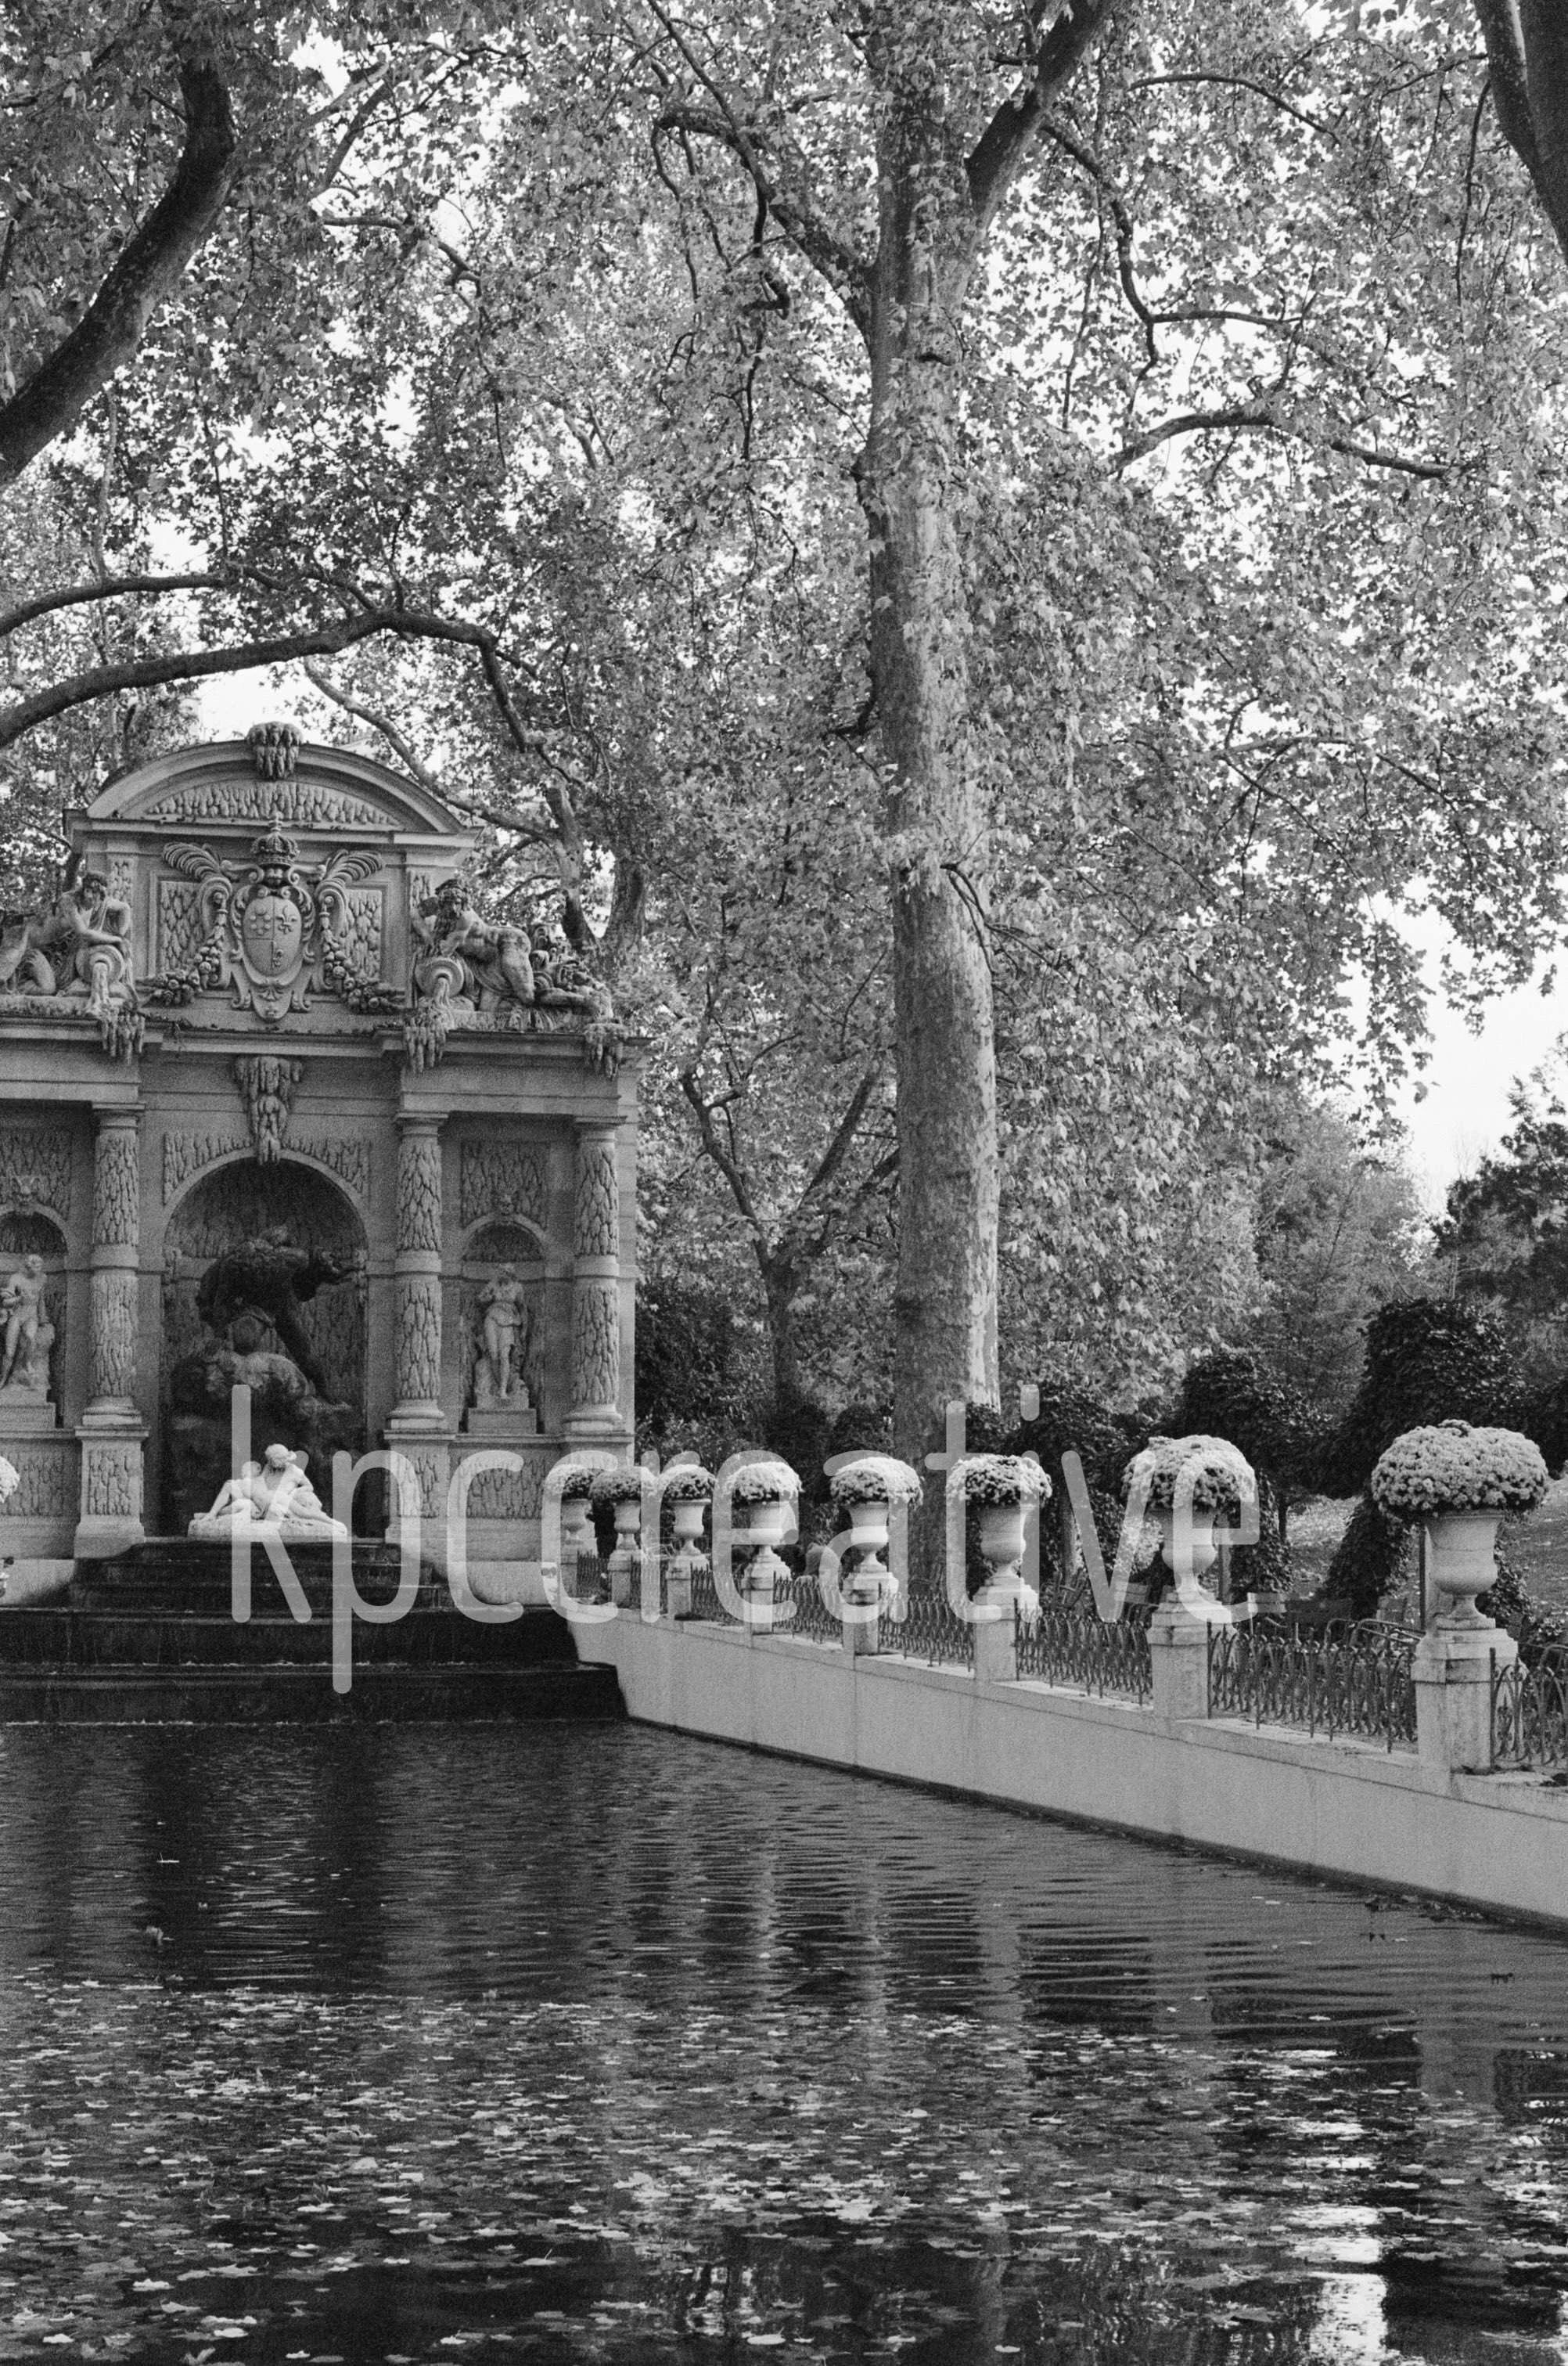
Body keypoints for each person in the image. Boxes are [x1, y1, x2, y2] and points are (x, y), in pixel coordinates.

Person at [476, 1266, 531, 1404]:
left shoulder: (517, 1288)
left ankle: (503, 1390)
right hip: (492, 1318)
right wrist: (487, 1298)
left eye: (503, 1272)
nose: (499, 1273)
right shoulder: (493, 1284)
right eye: (499, 1271)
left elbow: (523, 1308)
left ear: (509, 1274)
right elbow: (480, 1300)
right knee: (493, 1355)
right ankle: (496, 1386)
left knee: (504, 1355)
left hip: (509, 1321)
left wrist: (524, 1328)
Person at [0, 1254, 46, 1388]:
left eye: (40, 1267)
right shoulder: (16, 1279)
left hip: (32, 1315)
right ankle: (3, 1379)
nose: (39, 1270)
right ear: (29, 1266)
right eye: (36, 1267)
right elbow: (6, 1302)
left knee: (30, 1337)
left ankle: (28, 1363)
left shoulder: (42, 1279)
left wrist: (43, 1317)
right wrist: (19, 1298)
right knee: (9, 1351)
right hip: (18, 1315)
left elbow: (41, 1299)